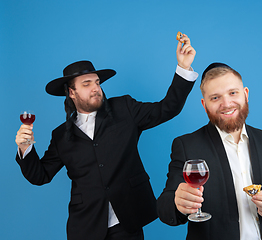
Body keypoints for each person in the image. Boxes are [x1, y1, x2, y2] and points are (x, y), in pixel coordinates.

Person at [15, 34, 197, 240]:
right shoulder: (60, 136)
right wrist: (25, 147)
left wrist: (183, 68)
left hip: (128, 222)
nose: (95, 88)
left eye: (97, 82)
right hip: (85, 227)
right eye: (86, 84)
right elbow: (40, 176)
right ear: (71, 93)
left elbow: (168, 108)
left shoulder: (124, 108)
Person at [157, 62, 262, 240]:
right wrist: (177, 203)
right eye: (215, 98)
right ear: (204, 104)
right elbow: (164, 207)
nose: (227, 103)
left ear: (246, 94)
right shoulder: (186, 145)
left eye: (233, 93)